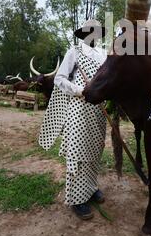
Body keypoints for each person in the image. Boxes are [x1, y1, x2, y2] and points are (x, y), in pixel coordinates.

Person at [39, 19, 107, 220]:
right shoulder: (74, 52)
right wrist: (79, 90)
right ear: (84, 33)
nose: (92, 34)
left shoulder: (103, 55)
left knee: (95, 149)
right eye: (89, 31)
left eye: (96, 31)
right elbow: (60, 79)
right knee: (77, 150)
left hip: (98, 110)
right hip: (78, 108)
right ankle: (77, 199)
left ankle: (91, 187)